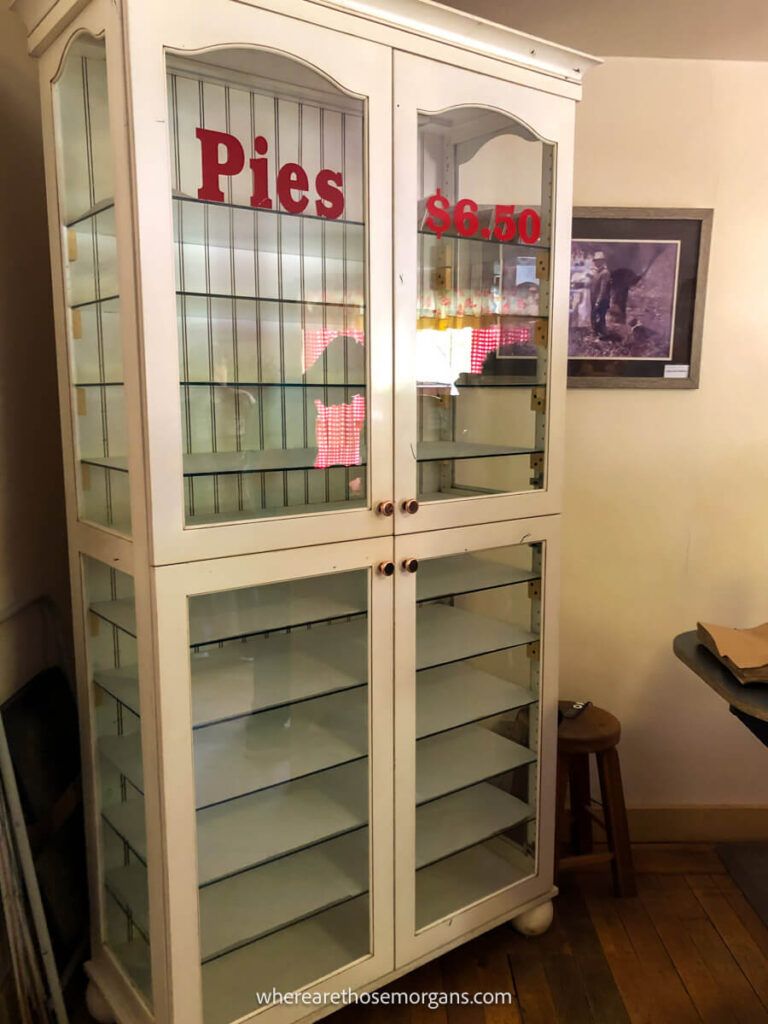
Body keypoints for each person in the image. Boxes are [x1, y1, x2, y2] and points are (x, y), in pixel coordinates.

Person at [589, 250, 611, 338]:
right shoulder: (595, 272)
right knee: (594, 315)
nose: (596, 263)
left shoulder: (605, 273)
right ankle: (595, 332)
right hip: (594, 297)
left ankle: (602, 334)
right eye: (595, 261)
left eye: (598, 261)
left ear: (602, 261)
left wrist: (598, 301)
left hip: (602, 299)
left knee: (600, 316)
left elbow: (603, 289)